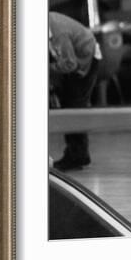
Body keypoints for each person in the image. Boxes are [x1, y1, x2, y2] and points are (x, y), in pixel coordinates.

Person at [49, 11, 101, 171]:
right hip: (74, 61)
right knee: (69, 107)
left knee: (74, 108)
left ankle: (78, 156)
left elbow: (70, 64)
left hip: (86, 62)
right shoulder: (48, 23)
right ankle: (76, 154)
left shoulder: (59, 34)